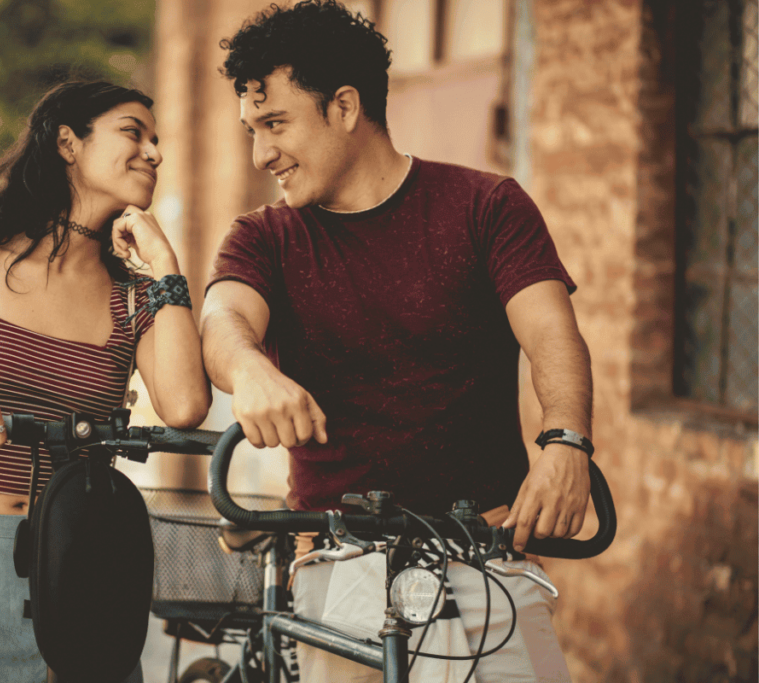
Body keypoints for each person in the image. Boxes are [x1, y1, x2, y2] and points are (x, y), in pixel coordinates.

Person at [200, 2, 591, 681]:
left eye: (275, 123)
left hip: (486, 553)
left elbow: (551, 330)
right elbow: (224, 321)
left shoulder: (487, 205)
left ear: (345, 106)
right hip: (341, 565)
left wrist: (566, 441)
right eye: (252, 129)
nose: (261, 153)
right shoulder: (264, 237)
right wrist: (249, 368)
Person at [0, 80, 211, 682]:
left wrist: (166, 267)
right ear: (68, 143)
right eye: (133, 133)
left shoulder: (137, 300)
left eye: (157, 141)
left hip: (81, 583)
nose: (155, 153)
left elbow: (185, 404)